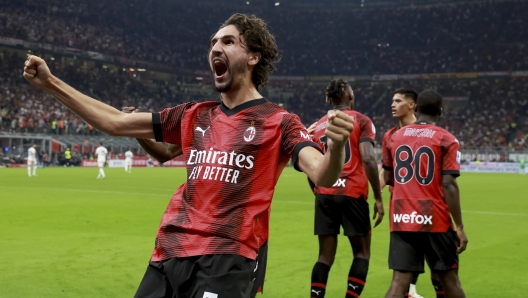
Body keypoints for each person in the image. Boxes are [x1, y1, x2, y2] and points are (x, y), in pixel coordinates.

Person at [24, 13, 354, 298]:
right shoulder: (193, 115)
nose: (215, 48)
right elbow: (114, 122)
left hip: (228, 257)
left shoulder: (280, 122)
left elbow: (322, 173)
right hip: (169, 252)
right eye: (213, 42)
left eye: (228, 41)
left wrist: (336, 146)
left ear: (253, 56)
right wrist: (51, 82)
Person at [124, 105, 268, 298]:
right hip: (181, 237)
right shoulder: (204, 119)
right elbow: (165, 151)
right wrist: (138, 130)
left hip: (231, 244)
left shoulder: (269, 121)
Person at [382, 90, 468, 298]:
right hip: (435, 218)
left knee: (399, 282)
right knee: (449, 280)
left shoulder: (395, 137)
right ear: (440, 111)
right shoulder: (447, 139)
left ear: (417, 108)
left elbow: (389, 178)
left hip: (402, 217)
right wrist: (460, 226)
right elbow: (449, 184)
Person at [307, 79, 384, 298]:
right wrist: (378, 198)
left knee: (324, 257)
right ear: (349, 95)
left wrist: (317, 189)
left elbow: (311, 167)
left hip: (325, 194)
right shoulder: (361, 120)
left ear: (330, 99)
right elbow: (368, 159)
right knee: (361, 253)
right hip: (352, 193)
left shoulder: (319, 125)